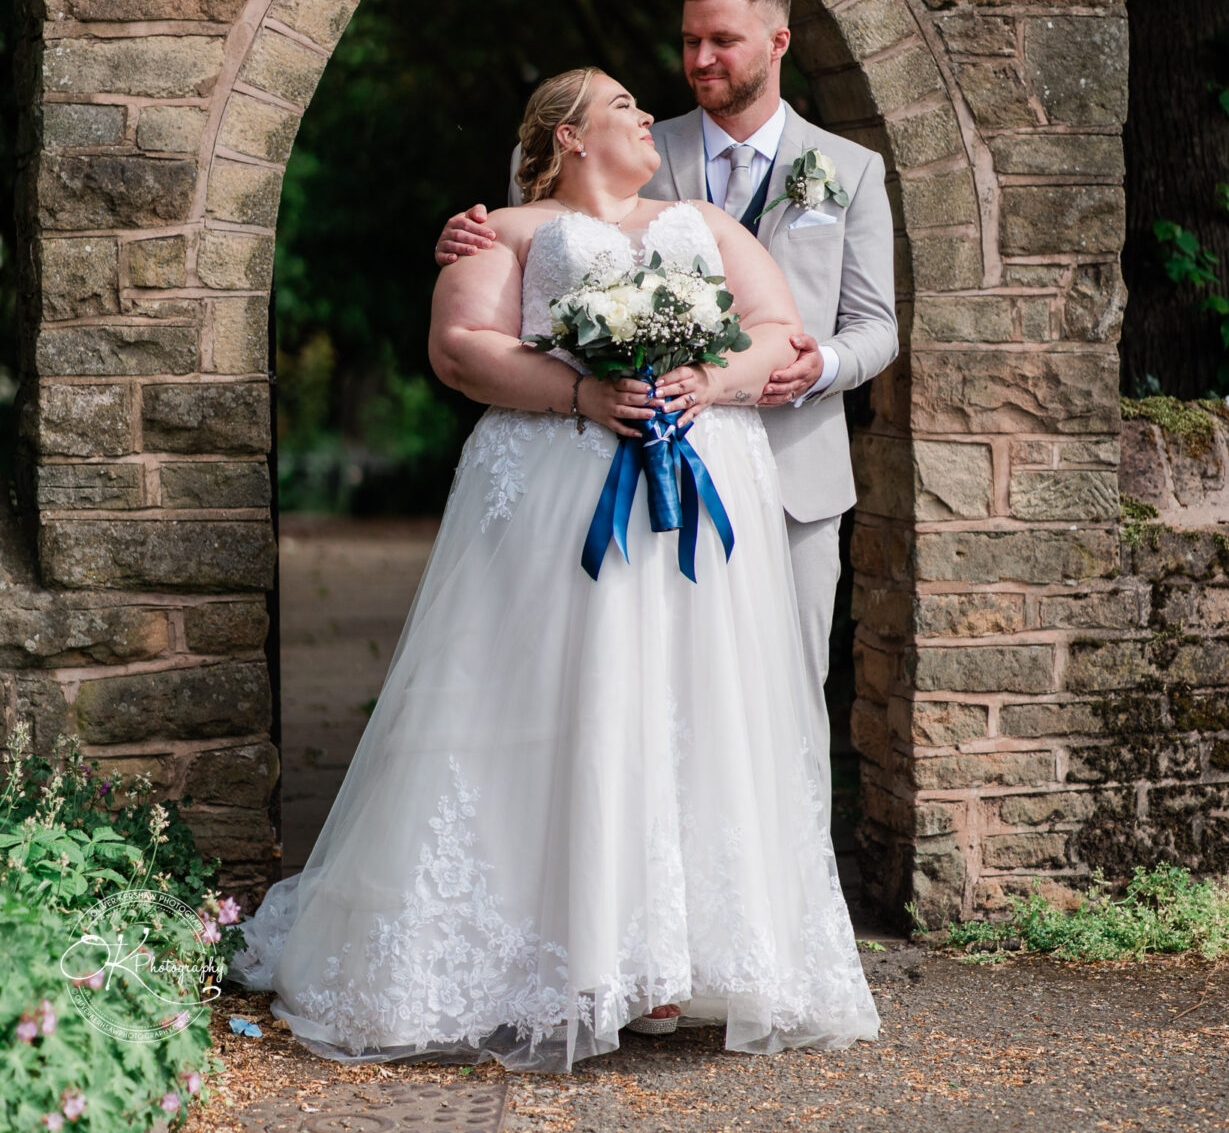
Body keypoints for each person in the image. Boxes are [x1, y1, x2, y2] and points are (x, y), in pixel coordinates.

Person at [230, 66, 879, 1071]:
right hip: (559, 500)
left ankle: (670, 964)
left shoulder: (703, 224)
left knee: (694, 705)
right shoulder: (512, 232)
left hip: (699, 505)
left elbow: (774, 329)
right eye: (619, 104)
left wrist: (709, 376)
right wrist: (581, 396)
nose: (640, 115)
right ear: (569, 136)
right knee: (550, 703)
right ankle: (568, 952)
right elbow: (459, 347)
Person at [436, 0, 899, 736]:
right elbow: (536, 224)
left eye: (721, 40)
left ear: (777, 43)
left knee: (783, 697)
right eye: (689, 41)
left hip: (788, 470)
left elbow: (876, 326)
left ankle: (787, 864)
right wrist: (465, 237)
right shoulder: (639, 144)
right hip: (618, 454)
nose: (699, 59)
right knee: (636, 688)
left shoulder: (847, 171)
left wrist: (818, 365)